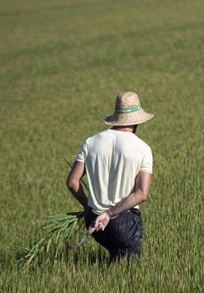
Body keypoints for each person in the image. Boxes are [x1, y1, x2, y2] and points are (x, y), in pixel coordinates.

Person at [66, 91, 154, 262]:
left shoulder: (91, 142)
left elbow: (72, 181)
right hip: (124, 222)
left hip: (94, 221)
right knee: (129, 275)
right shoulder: (143, 148)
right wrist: (109, 213)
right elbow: (142, 194)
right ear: (136, 121)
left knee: (115, 261)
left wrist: (88, 207)